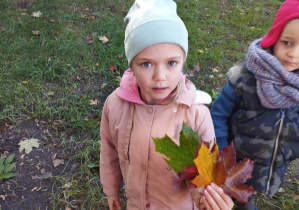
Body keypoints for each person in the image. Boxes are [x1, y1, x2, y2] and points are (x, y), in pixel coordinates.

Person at [100, 0, 234, 209]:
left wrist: (205, 199)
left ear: (182, 61)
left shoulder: (196, 115)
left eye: (171, 63)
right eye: (146, 64)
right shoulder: (115, 105)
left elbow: (206, 171)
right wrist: (111, 189)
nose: (160, 77)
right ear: (131, 66)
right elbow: (108, 151)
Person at [211, 0, 299, 209]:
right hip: (235, 161)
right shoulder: (244, 79)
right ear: (273, 39)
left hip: (269, 163)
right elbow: (218, 115)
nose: (294, 53)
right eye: (287, 42)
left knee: (251, 188)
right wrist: (223, 155)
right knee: (238, 196)